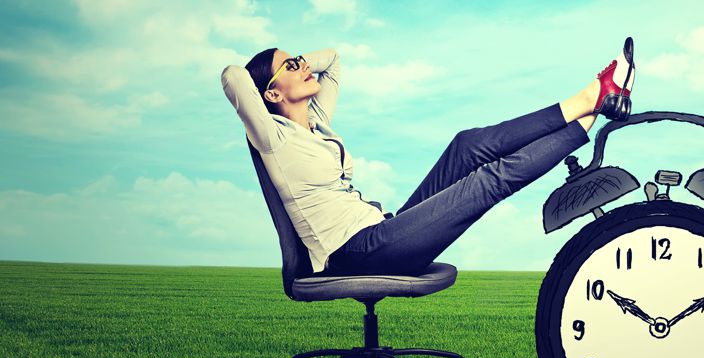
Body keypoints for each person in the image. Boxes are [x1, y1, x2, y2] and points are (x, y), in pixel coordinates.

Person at [221, 38, 636, 276]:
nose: (303, 66)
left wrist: (297, 65)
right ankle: (596, 106)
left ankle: (590, 102)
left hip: (383, 229)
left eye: (298, 60)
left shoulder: (316, 120)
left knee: (465, 146)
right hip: (352, 253)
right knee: (486, 182)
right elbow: (233, 77)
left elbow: (332, 60)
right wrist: (275, 75)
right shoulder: (272, 137)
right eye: (291, 66)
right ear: (271, 95)